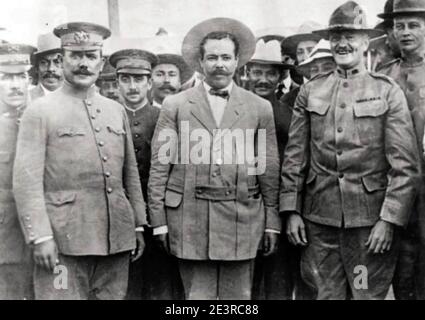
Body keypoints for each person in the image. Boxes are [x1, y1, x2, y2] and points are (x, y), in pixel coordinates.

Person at [280, 1, 420, 300]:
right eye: (336, 37)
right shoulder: (311, 90)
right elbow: (295, 156)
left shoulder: (385, 89)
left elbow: (405, 166)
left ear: (365, 41)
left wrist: (389, 220)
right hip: (319, 223)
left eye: (351, 37)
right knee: (326, 295)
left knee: (365, 293)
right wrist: (291, 210)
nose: (342, 43)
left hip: (369, 226)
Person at [148, 17, 281, 300]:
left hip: (242, 220)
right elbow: (160, 168)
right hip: (190, 220)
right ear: (200, 62)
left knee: (238, 301)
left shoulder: (259, 107)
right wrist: (158, 220)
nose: (219, 64)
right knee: (197, 299)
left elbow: (268, 169)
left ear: (237, 61)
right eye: (212, 57)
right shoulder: (176, 105)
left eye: (225, 57)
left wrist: (272, 222)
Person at [13, 22, 147, 300]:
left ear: (101, 62)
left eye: (90, 56)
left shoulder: (115, 110)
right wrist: (40, 236)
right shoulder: (39, 112)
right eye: (76, 56)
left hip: (115, 241)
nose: (83, 64)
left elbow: (129, 175)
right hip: (63, 244)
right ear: (62, 60)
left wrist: (136, 225)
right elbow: (26, 182)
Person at [378, 0, 425, 300]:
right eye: (400, 26)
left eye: (414, 25)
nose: (405, 32)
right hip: (396, 186)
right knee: (403, 268)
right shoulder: (384, 74)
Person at [246, 38, 296, 300]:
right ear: (247, 73)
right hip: (241, 211)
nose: (263, 79)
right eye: (257, 72)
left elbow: (294, 167)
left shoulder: (288, 116)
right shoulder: (234, 112)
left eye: (270, 73)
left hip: (278, 208)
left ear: (279, 76)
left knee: (278, 284)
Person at [0, 43, 36, 300]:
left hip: (45, 238)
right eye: (5, 77)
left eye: (21, 76)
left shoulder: (44, 117)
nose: (14, 85)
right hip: (5, 241)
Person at [30, 33, 63, 101]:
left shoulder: (79, 100)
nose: (50, 69)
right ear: (36, 68)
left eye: (57, 62)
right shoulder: (26, 100)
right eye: (44, 62)